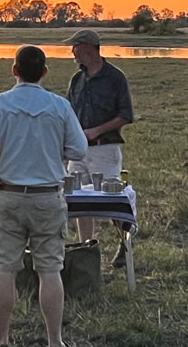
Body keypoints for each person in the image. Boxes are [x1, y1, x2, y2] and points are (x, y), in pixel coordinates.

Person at [0, 45, 87, 347]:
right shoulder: (59, 106)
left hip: (8, 196)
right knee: (50, 269)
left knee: (4, 269)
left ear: (14, 71)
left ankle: (1, 339)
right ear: (44, 73)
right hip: (47, 198)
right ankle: (55, 341)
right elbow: (79, 150)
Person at [62, 29, 134, 266]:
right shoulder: (76, 79)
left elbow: (125, 115)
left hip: (104, 149)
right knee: (78, 200)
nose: (72, 52)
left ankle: (125, 243)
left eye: (75, 47)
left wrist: (97, 131)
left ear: (88, 47)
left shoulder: (115, 77)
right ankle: (87, 248)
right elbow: (69, 113)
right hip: (78, 150)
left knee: (110, 199)